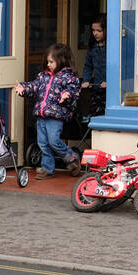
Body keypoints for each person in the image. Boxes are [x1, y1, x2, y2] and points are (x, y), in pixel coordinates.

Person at [16, 43, 82, 180]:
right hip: (41, 115)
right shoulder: (43, 76)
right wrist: (23, 88)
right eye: (48, 61)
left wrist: (67, 95)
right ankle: (47, 169)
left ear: (62, 60)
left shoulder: (69, 77)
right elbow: (34, 86)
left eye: (51, 61)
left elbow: (73, 91)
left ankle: (72, 158)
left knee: (54, 141)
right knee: (43, 143)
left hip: (55, 116)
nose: (48, 64)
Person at [80, 16, 106, 115]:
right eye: (93, 30)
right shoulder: (92, 46)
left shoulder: (112, 46)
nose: (95, 33)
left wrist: (111, 83)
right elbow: (88, 66)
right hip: (97, 88)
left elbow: (117, 68)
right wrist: (86, 80)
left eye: (99, 30)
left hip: (109, 90)